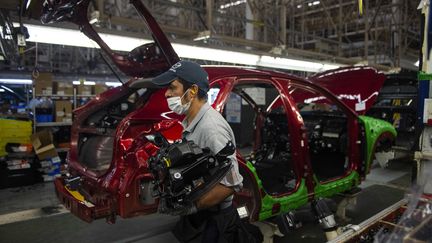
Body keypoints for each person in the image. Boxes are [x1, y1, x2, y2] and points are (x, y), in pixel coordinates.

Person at [151, 60, 260, 243]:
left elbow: (231, 184)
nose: (167, 94)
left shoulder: (211, 129)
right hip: (201, 215)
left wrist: (192, 206)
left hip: (214, 220)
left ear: (192, 91)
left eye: (172, 87)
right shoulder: (192, 121)